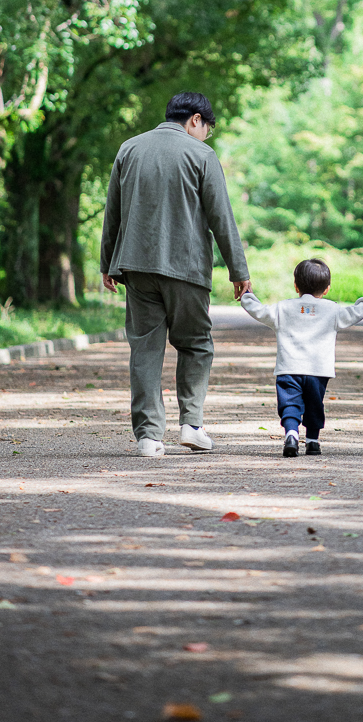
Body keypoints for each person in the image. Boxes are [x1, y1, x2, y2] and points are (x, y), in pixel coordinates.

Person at [100, 90, 251, 458]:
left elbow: (113, 212)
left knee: (146, 350)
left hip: (136, 266)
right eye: (206, 129)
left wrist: (107, 263)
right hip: (186, 268)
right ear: (195, 120)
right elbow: (221, 218)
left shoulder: (129, 149)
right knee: (196, 343)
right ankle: (191, 425)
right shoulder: (201, 155)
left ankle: (149, 437)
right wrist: (238, 270)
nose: (205, 136)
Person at [240, 258, 363, 456]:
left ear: (296, 286)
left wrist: (247, 295)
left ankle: (292, 434)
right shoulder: (332, 309)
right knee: (314, 405)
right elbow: (355, 313)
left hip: (289, 368)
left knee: (289, 404)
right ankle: (312, 440)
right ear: (327, 289)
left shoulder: (282, 308)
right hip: (318, 371)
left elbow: (259, 311)